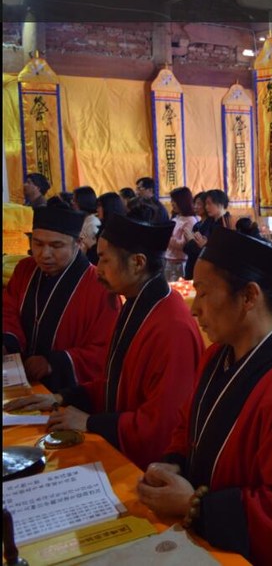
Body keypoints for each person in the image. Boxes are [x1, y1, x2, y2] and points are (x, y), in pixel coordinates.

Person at [135, 227, 272, 565]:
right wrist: (173, 463)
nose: (195, 309)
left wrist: (194, 505)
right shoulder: (216, 356)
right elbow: (187, 425)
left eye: (204, 293)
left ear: (249, 296)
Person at [5, 211, 203, 470]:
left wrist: (90, 422)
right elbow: (118, 384)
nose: (97, 269)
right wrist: (61, 398)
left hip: (146, 470)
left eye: (104, 260)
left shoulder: (172, 326)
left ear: (138, 263)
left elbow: (163, 425)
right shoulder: (137, 303)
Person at [3, 205, 120, 392]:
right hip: (19, 377)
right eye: (37, 243)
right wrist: (8, 342)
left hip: (67, 393)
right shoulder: (25, 269)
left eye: (56, 246)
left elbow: (106, 349)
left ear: (78, 243)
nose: (44, 254)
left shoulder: (101, 285)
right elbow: (7, 310)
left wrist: (55, 362)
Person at [165, 187, 199, 281]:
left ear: (183, 201)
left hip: (180, 263)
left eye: (174, 201)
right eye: (172, 200)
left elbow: (182, 245)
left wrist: (167, 237)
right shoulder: (176, 217)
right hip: (169, 260)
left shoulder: (190, 220)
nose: (172, 203)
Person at [182, 191, 208, 280]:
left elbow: (200, 251)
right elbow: (187, 249)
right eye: (194, 203)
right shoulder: (197, 225)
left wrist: (191, 240)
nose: (195, 206)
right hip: (191, 264)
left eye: (199, 204)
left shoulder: (210, 225)